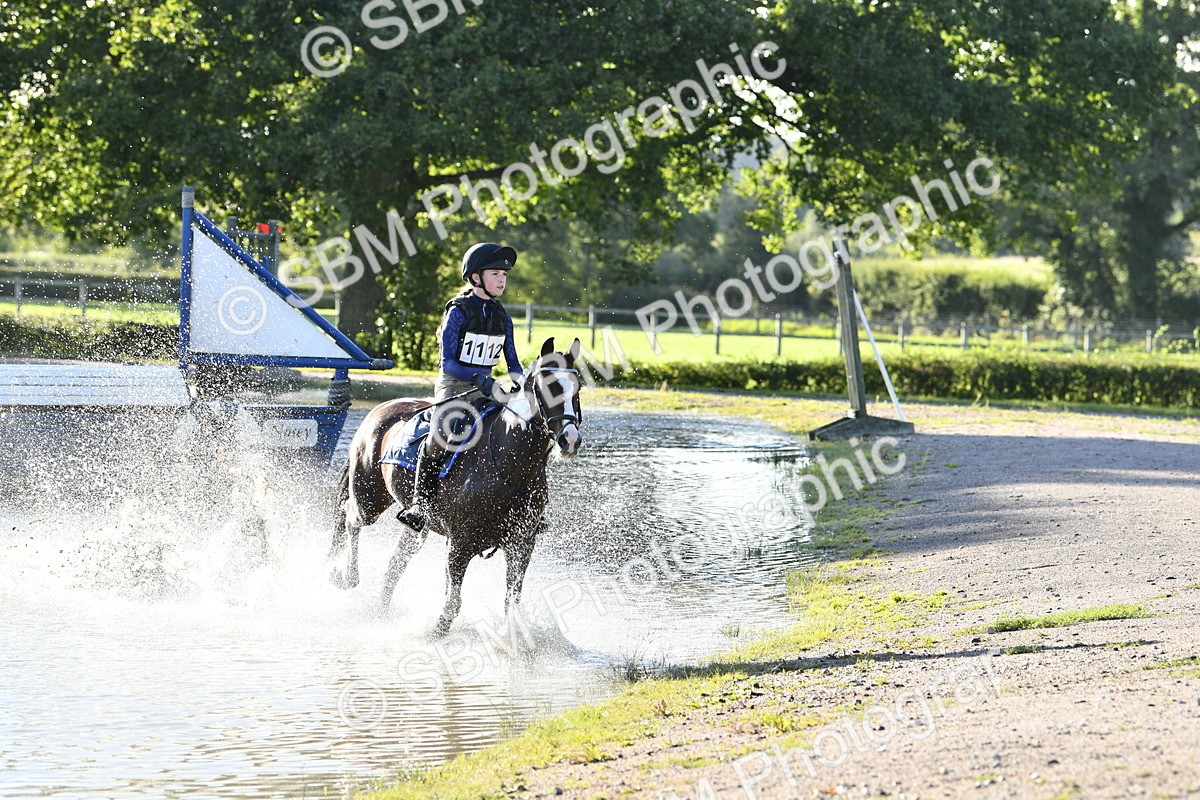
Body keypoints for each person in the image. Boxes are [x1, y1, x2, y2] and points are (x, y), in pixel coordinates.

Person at [396, 241, 524, 532]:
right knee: (442, 431)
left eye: (504, 274)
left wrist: (521, 383)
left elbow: (513, 364)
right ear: (475, 277)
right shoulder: (458, 312)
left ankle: (524, 505)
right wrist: (480, 379)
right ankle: (420, 503)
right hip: (454, 387)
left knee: (522, 430)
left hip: (488, 388)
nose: (502, 279)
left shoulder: (503, 317)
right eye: (495, 273)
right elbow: (448, 364)